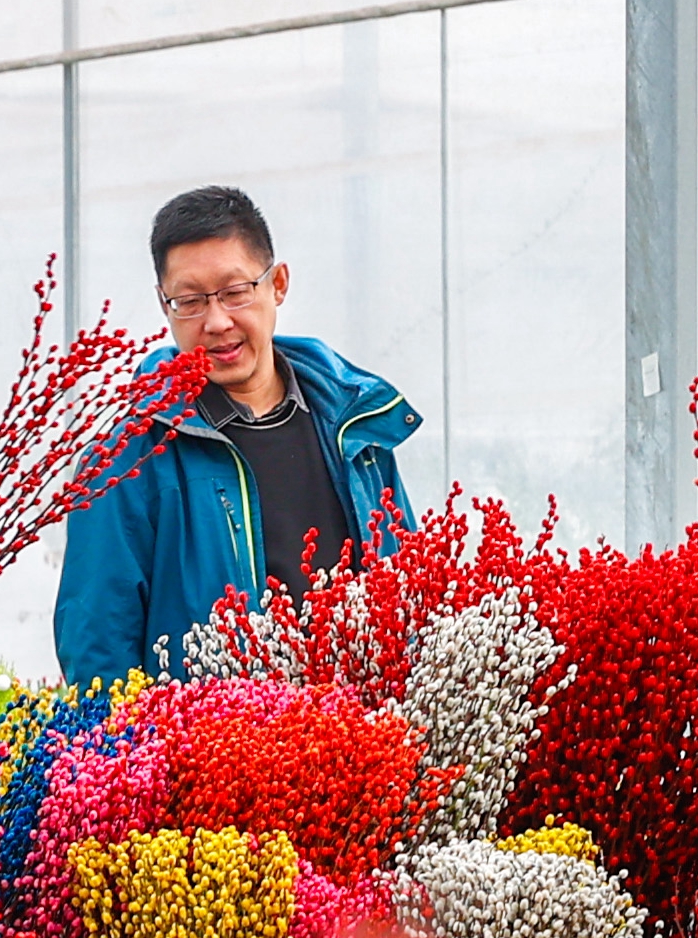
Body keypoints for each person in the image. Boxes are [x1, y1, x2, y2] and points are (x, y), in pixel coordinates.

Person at [51, 184, 425, 687]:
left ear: (278, 284)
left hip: (362, 745)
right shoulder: (126, 459)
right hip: (210, 755)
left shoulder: (354, 427)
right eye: (190, 301)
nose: (217, 321)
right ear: (165, 306)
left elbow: (411, 591)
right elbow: (98, 650)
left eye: (235, 292)